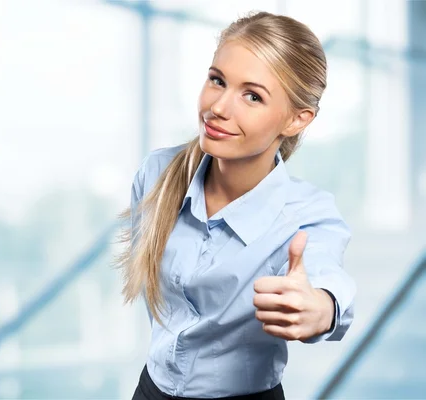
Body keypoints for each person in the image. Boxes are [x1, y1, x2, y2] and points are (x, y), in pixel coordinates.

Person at [115, 11, 357, 400]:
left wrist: (320, 307)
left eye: (253, 96)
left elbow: (326, 276)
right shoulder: (157, 174)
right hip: (150, 391)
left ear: (297, 120)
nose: (219, 108)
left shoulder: (306, 213)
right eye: (217, 80)